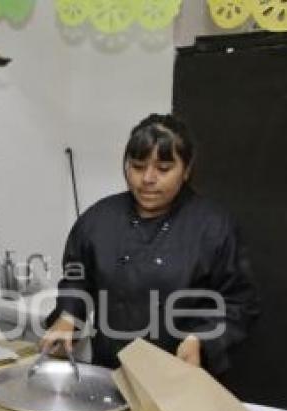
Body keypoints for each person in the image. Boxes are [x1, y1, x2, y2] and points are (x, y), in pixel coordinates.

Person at [41, 113, 260, 377]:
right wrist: (68, 318)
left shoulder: (213, 227)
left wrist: (201, 341)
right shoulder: (98, 219)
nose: (147, 178)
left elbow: (239, 303)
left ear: (187, 170)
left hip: (181, 377)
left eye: (164, 169)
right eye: (137, 166)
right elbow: (77, 280)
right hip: (110, 372)